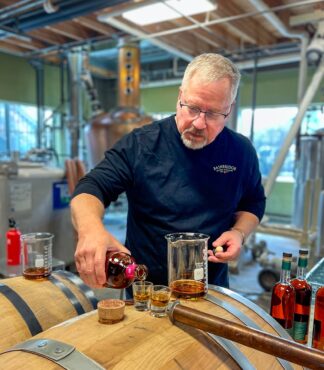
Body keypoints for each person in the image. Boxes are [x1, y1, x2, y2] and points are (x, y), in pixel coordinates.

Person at [71, 53, 266, 291]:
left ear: (229, 109)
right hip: (145, 290)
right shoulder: (141, 144)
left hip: (210, 290)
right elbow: (92, 187)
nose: (199, 123)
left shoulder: (240, 151)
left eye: (213, 113)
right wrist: (91, 230)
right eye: (192, 108)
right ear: (180, 97)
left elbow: (253, 201)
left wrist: (238, 232)